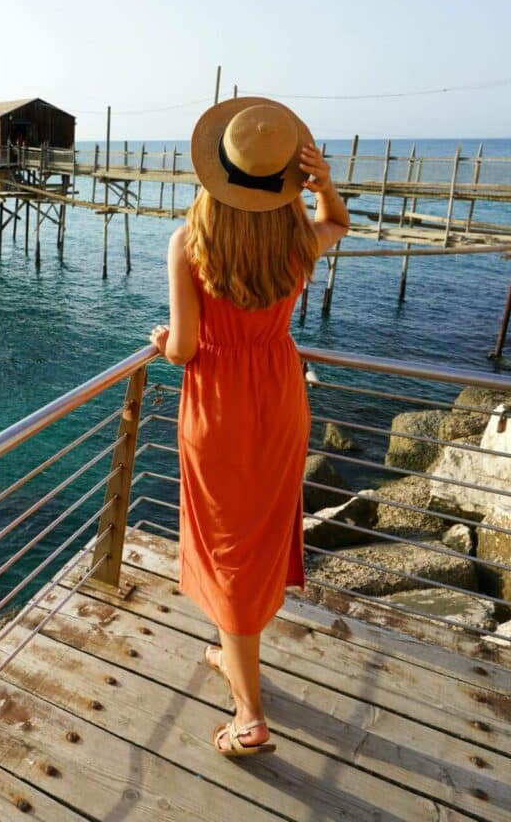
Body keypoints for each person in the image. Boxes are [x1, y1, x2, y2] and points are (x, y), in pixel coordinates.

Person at [149, 97, 348, 756]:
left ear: (217, 175)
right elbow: (337, 224)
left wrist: (161, 338)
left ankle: (250, 716)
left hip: (219, 408)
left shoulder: (189, 244)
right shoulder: (296, 243)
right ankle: (234, 653)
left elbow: (182, 350)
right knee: (253, 539)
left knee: (226, 548)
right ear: (285, 182)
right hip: (280, 400)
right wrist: (324, 185)